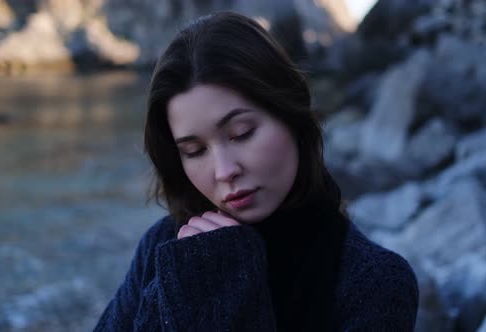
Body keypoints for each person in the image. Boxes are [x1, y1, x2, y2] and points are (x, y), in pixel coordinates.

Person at [95, 11, 419, 332]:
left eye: (242, 133)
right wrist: (184, 278)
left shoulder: (375, 283)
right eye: (195, 151)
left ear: (291, 116)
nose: (224, 171)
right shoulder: (163, 245)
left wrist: (230, 286)